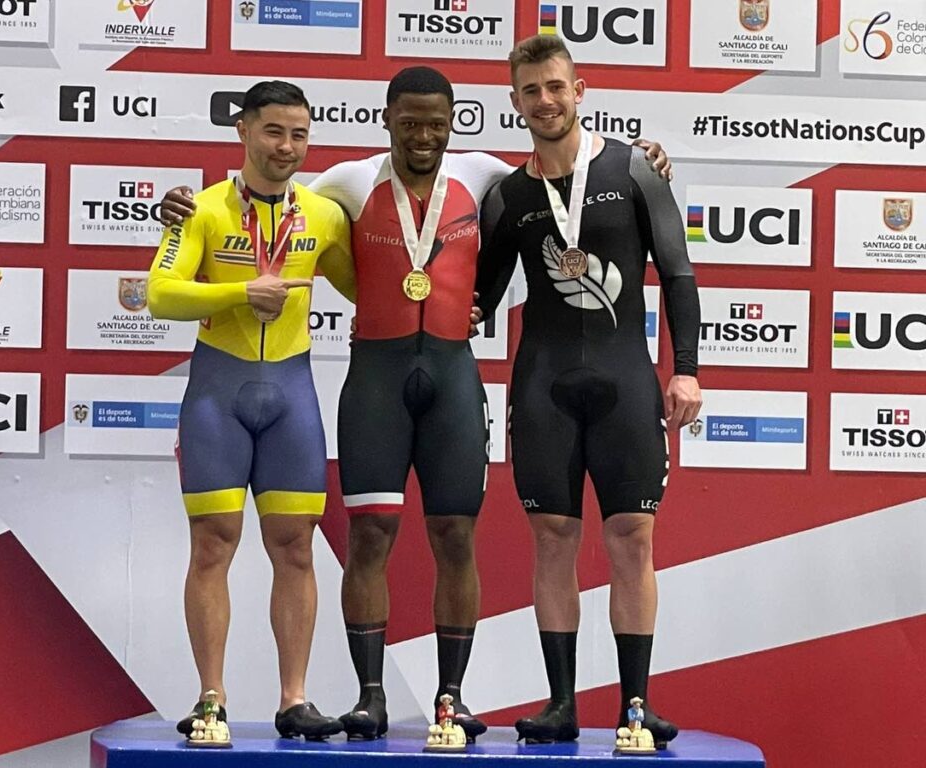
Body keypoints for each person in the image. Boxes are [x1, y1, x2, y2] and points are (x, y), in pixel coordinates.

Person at [160, 67, 672, 742]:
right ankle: (364, 696)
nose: (423, 135)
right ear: (387, 121)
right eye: (409, 123)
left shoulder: (487, 172)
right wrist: (183, 206)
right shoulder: (343, 183)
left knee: (455, 536)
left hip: (454, 378)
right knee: (365, 536)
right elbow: (272, 209)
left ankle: (450, 697)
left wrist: (645, 159)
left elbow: (559, 166)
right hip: (375, 378)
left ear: (454, 123)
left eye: (436, 123)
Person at [475, 35, 702, 746]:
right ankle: (561, 703)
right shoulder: (508, 195)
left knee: (633, 538)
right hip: (542, 384)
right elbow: (478, 296)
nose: (545, 100)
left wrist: (687, 368)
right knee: (552, 539)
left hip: (625, 380)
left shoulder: (634, 169)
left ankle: (635, 705)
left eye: (556, 86)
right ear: (515, 104)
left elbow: (680, 271)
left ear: (581, 90)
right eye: (531, 91)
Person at [147, 80, 356, 740]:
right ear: (243, 132)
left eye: (299, 134)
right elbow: (159, 295)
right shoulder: (201, 210)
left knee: (296, 548)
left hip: (291, 393)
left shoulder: (322, 215)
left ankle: (294, 698)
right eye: (273, 132)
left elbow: (373, 285)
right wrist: (242, 292)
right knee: (213, 545)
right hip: (218, 394)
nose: (286, 146)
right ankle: (211, 697)